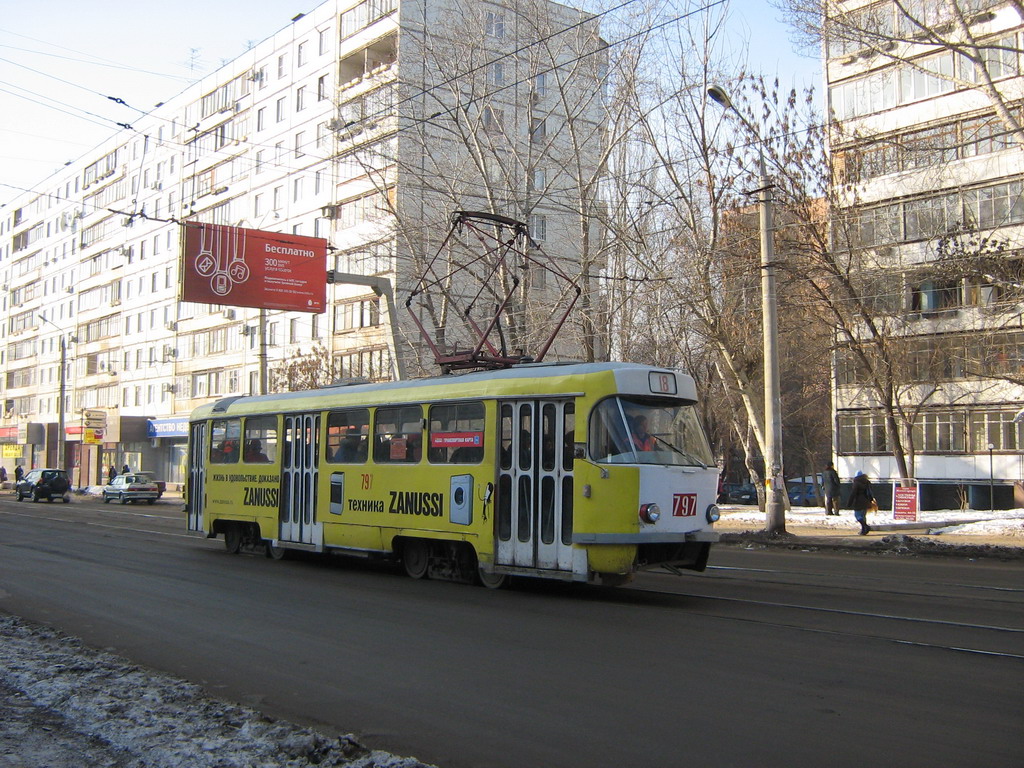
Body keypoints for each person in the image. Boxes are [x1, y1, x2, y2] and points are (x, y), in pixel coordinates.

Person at [847, 471, 874, 535]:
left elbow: (853, 493)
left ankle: (866, 527)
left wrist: (849, 502)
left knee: (857, 516)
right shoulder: (867, 482)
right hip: (866, 501)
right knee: (863, 516)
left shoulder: (856, 483)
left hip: (858, 501)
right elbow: (869, 492)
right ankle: (864, 530)